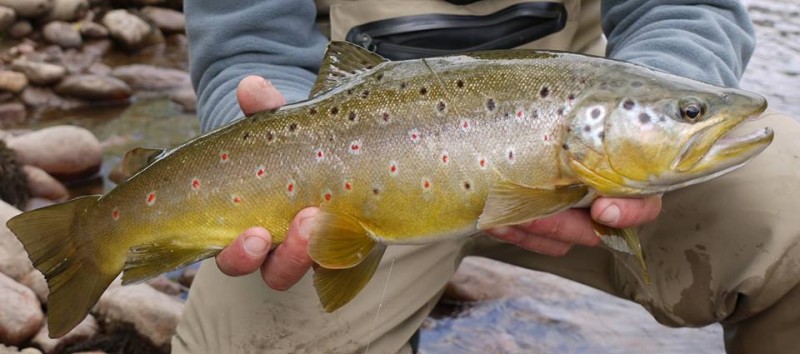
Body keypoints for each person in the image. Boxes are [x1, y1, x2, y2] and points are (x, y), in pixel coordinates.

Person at [175, 1, 800, 353]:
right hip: (352, 155)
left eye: (691, 116)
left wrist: (665, 81)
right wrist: (275, 143)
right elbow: (248, 42)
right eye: (692, 116)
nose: (698, 120)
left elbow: (686, 8)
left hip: (567, 129)